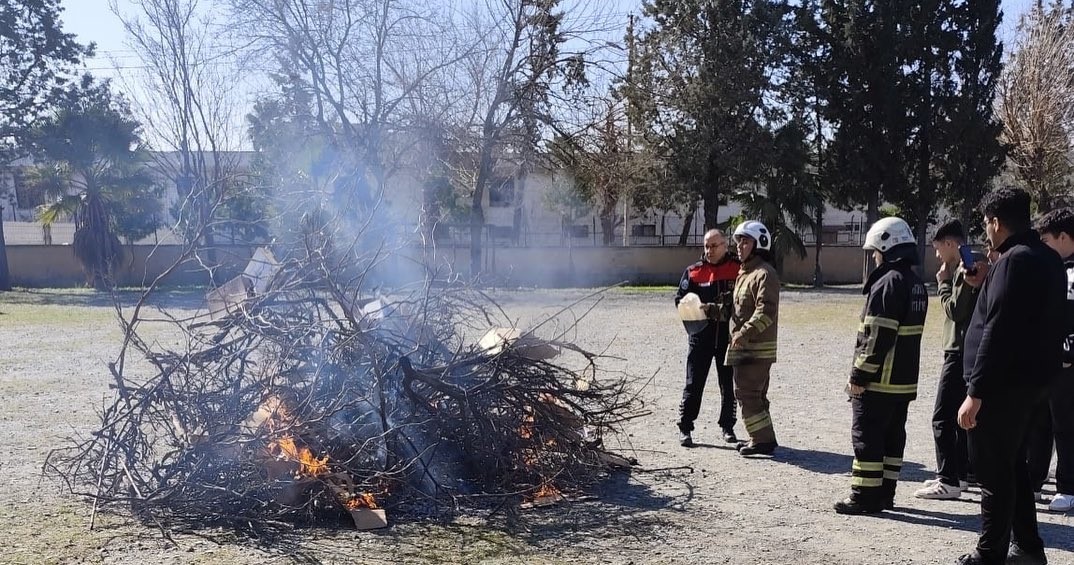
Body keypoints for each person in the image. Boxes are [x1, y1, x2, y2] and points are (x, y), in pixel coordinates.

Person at [957, 187, 1067, 565]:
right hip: (1036, 383)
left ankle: (989, 555)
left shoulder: (1014, 262)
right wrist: (988, 277)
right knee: (1014, 466)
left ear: (996, 222)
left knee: (993, 472)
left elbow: (999, 329)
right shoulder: (1047, 258)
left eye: (987, 223)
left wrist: (976, 391)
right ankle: (1029, 548)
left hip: (1003, 387)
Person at [833, 217, 928, 515]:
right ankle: (886, 494)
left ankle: (864, 496)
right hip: (903, 383)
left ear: (887, 247)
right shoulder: (915, 284)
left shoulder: (888, 283)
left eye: (876, 251)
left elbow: (877, 335)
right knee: (892, 438)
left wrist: (859, 374)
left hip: (879, 381)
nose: (874, 257)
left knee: (867, 437)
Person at [915, 220, 980, 500]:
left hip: (958, 350)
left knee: (941, 417)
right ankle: (960, 474)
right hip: (965, 349)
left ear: (951, 244)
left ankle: (948, 479)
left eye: (939, 248)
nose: (938, 256)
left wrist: (941, 284)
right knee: (958, 418)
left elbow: (955, 310)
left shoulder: (965, 269)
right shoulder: (967, 265)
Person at [1026, 208, 1074, 513]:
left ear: (1064, 237)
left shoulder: (1071, 273)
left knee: (1065, 424)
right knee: (1039, 421)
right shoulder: (1055, 268)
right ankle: (1033, 480)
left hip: (1066, 362)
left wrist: (1068, 352)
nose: (1042, 246)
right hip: (1048, 360)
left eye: (1046, 240)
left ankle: (1068, 486)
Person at [674, 229, 741, 447]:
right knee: (693, 383)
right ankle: (685, 427)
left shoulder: (737, 269)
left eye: (714, 246)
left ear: (725, 245)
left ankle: (728, 426)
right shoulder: (693, 272)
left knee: (728, 384)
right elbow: (679, 300)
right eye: (706, 246)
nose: (709, 250)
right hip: (700, 337)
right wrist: (689, 308)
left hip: (728, 337)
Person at [725, 220, 780, 456]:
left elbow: (766, 310)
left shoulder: (764, 274)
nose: (739, 246)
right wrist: (710, 309)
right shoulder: (745, 274)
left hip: (756, 348)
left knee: (747, 393)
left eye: (745, 242)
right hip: (746, 346)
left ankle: (762, 441)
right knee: (755, 395)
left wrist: (744, 333)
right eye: (738, 241)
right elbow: (738, 310)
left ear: (758, 245)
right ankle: (760, 437)